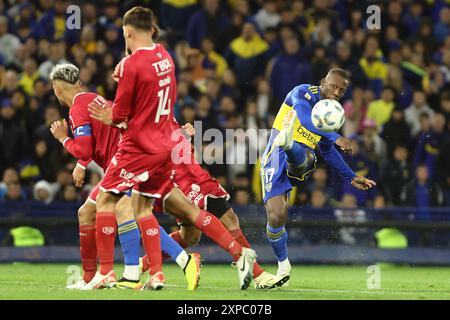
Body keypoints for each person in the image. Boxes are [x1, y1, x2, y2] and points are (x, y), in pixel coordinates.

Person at [88, 7, 257, 290]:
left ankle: (104, 272)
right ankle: (156, 274)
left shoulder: (132, 65)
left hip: (139, 146)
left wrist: (110, 116)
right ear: (152, 30)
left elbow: (120, 113)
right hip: (165, 145)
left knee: (106, 200)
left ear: (127, 32)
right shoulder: (165, 56)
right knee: (143, 208)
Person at [49, 64, 201, 291]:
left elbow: (84, 149)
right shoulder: (93, 98)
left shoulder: (76, 109)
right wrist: (82, 165)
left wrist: (63, 139)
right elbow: (109, 131)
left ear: (57, 91)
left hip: (124, 163)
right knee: (92, 212)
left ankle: (175, 262)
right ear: (79, 84)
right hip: (133, 159)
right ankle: (99, 277)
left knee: (126, 211)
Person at [260, 68, 376, 285]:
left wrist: (350, 176)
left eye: (341, 90)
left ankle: (289, 143)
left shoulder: (330, 114)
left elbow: (327, 150)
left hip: (303, 156)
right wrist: (335, 136)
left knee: (305, 157)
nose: (336, 92)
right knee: (276, 215)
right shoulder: (302, 92)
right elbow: (304, 118)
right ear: (323, 82)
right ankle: (283, 265)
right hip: (273, 158)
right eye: (334, 86)